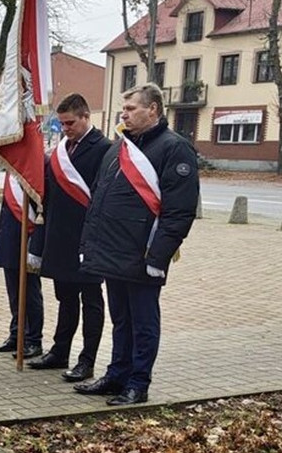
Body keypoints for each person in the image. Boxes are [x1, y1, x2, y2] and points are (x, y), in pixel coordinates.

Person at [75, 83, 198, 406]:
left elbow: (179, 211)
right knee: (121, 321)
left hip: (143, 255)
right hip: (112, 252)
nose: (124, 115)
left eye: (131, 109)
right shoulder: (119, 148)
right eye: (123, 109)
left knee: (143, 324)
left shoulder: (174, 148)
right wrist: (89, 244)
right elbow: (98, 201)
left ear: (153, 109)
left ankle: (138, 383)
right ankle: (117, 375)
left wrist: (158, 257)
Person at [27, 93, 110, 382]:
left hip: (88, 240)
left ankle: (87, 360)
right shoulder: (62, 149)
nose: (65, 129)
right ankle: (60, 351)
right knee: (65, 298)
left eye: (70, 123)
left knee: (91, 301)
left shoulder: (105, 149)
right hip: (61, 238)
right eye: (62, 124)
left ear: (86, 117)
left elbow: (103, 196)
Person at [0, 175, 44, 360]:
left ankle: (33, 340)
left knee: (29, 291)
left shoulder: (32, 168)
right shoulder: (12, 171)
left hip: (27, 236)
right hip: (10, 236)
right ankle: (17, 334)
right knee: (14, 291)